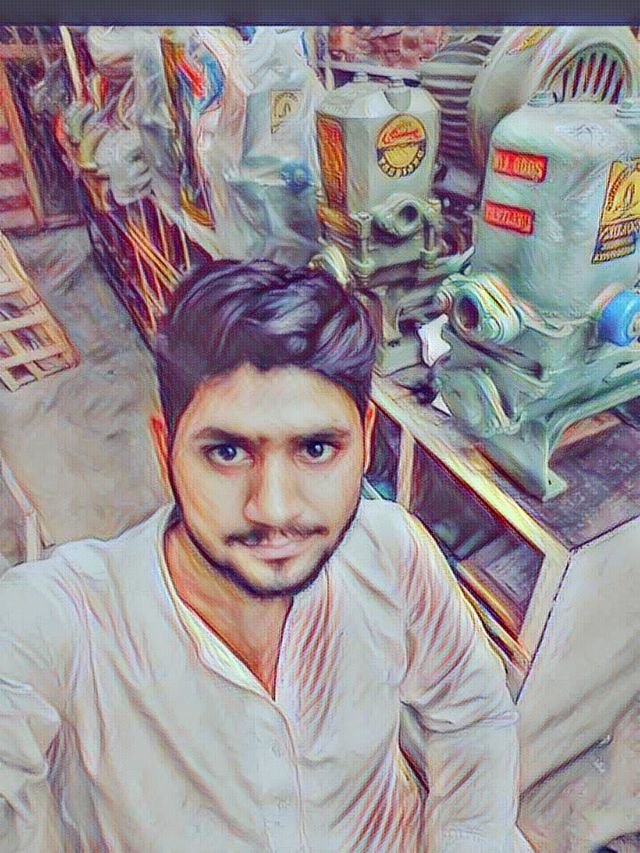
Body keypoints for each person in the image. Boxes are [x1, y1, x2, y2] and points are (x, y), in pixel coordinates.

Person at [0, 260, 529, 852]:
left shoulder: (389, 550)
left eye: (316, 448)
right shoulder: (65, 624)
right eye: (227, 452)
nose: (274, 509)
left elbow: (473, 712)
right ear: (164, 449)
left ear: (364, 441)